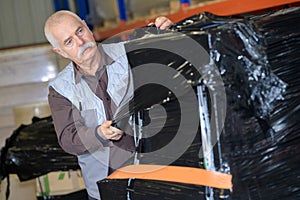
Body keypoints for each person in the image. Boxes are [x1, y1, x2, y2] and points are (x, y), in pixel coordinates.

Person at [44, 10, 173, 200]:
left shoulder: (129, 53)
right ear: (60, 52)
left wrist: (168, 33)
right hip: (105, 189)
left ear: (87, 26)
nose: (80, 42)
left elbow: (169, 63)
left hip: (153, 178)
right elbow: (68, 138)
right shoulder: (61, 90)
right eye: (69, 42)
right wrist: (98, 134)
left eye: (80, 31)